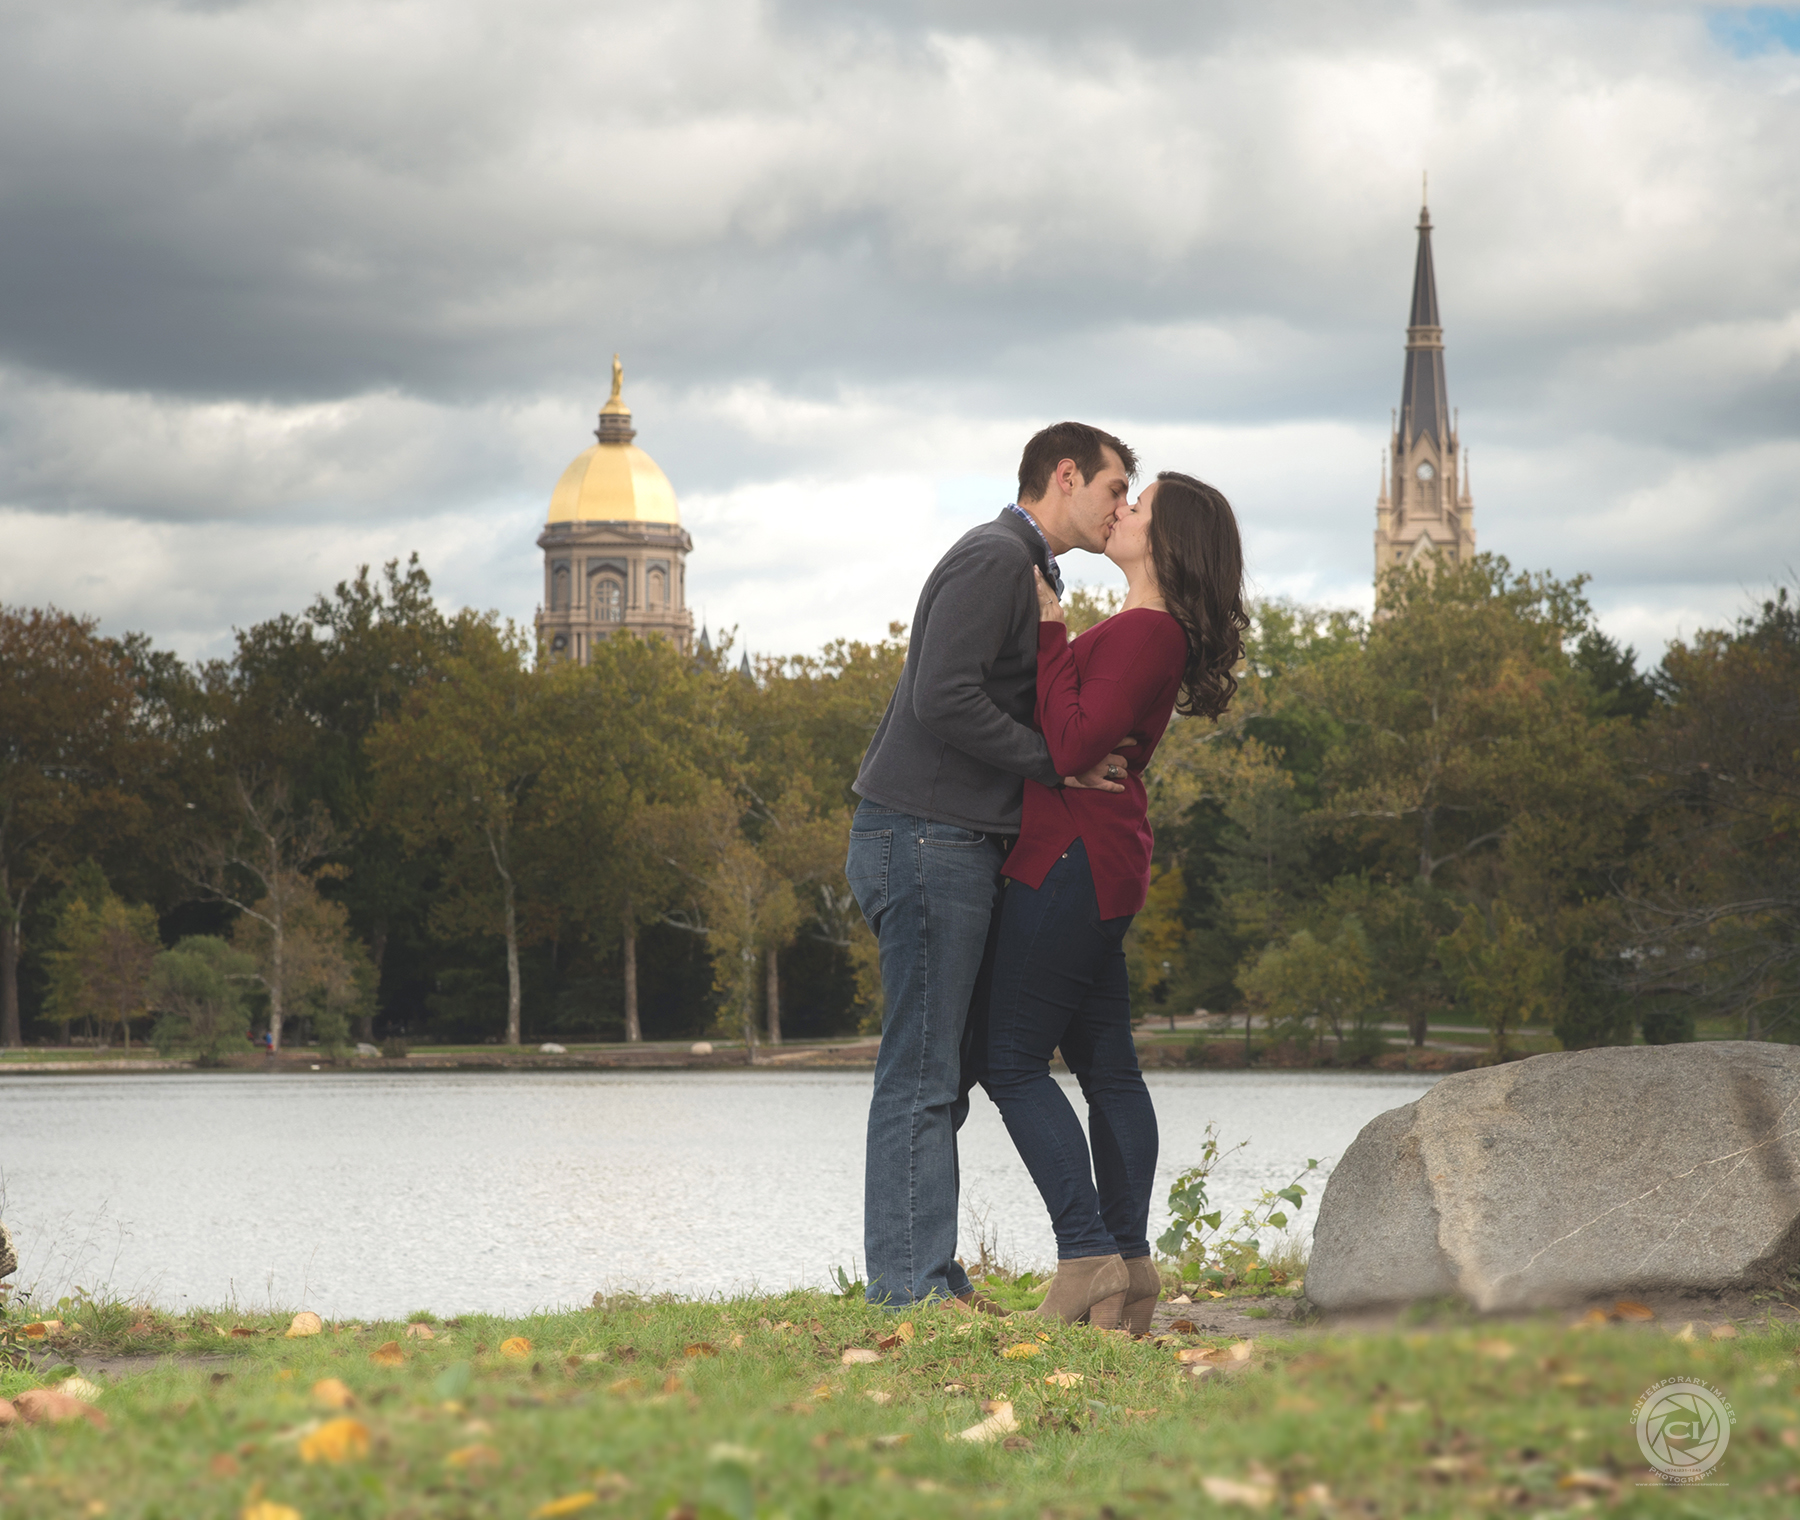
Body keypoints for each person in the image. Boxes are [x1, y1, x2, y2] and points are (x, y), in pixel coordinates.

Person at [846, 422, 1140, 1310]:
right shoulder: (994, 558)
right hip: (924, 837)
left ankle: (929, 1272)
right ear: (1064, 475)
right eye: (1114, 489)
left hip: (955, 842)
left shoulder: (1032, 569)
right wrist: (1055, 762)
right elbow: (942, 698)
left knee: (953, 1065)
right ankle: (907, 1288)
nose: (1121, 508)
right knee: (924, 1071)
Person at [983, 472, 1247, 1332]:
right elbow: (1079, 741)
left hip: (1068, 861)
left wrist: (1053, 634)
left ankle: (1087, 1252)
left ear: (1169, 542)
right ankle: (1130, 1270)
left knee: (1011, 1059)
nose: (1121, 510)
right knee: (1109, 1070)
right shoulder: (1148, 631)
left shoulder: (1145, 633)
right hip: (1098, 859)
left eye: (1141, 504)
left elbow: (1071, 741)